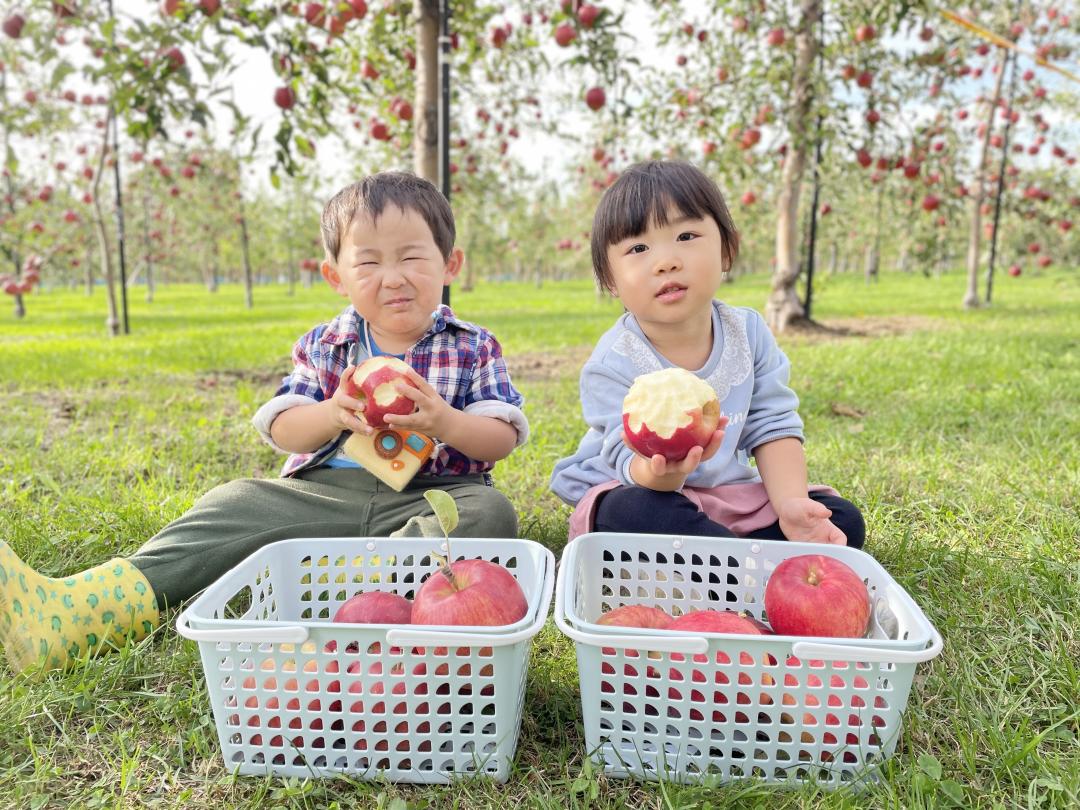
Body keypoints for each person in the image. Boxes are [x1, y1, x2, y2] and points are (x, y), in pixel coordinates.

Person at [0, 171, 527, 676]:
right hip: (324, 493)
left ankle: (353, 590)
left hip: (428, 494)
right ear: (335, 276)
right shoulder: (324, 345)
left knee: (487, 513)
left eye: (412, 257)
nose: (393, 277)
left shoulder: (472, 345)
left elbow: (500, 437)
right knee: (233, 501)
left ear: (450, 263)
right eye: (367, 262)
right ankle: (79, 611)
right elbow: (283, 428)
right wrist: (330, 412)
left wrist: (445, 420)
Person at [550, 160, 864, 548]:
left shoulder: (748, 334)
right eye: (638, 247)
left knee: (841, 520)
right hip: (644, 487)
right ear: (611, 280)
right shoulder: (612, 361)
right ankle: (743, 560)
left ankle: (722, 557)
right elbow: (623, 456)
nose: (666, 261)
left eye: (686, 235)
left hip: (729, 496)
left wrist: (792, 507)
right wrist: (662, 474)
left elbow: (772, 425)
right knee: (632, 513)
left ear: (727, 250)